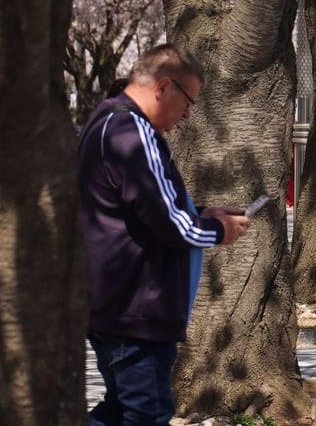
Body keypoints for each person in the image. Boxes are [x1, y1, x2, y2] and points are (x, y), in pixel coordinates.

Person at [78, 44, 250, 426]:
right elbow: (170, 224)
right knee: (146, 414)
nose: (188, 114)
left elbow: (142, 209)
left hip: (118, 304)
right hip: (136, 308)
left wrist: (200, 212)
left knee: (121, 411)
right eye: (189, 101)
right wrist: (218, 230)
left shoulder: (108, 121)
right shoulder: (132, 132)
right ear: (163, 87)